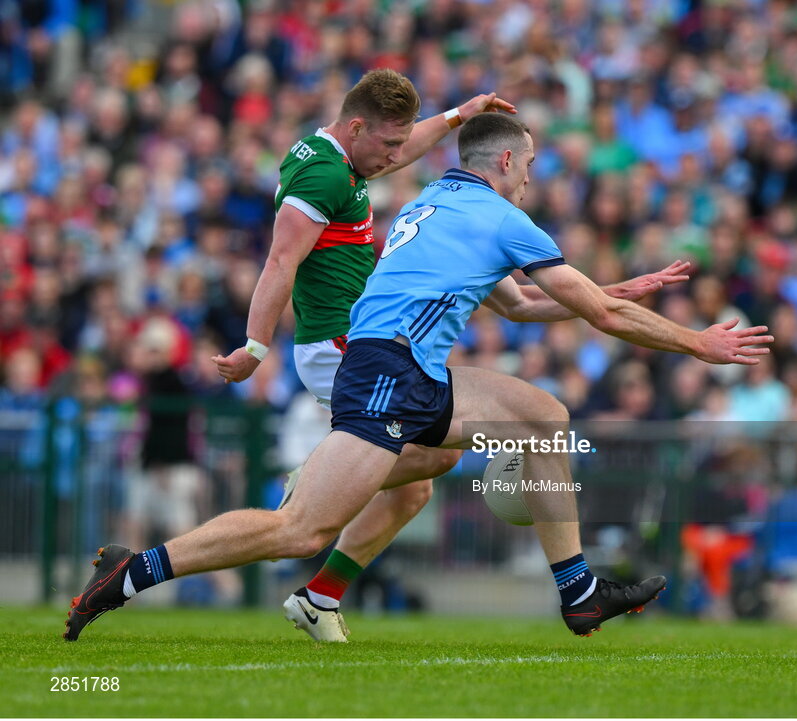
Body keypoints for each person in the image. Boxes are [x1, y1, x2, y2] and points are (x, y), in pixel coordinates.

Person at [65, 113, 772, 642]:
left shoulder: (431, 203)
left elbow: (525, 303)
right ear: (504, 161)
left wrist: (614, 284)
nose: (529, 179)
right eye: (527, 167)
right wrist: (698, 343)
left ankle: (578, 589)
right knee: (300, 527)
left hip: (409, 368)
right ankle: (134, 571)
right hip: (386, 373)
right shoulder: (502, 216)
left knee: (537, 418)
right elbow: (596, 316)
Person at [206, 69, 693, 642]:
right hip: (353, 345)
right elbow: (280, 261)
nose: (394, 157)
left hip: (361, 343)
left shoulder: (385, 178)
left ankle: (320, 596)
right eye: (388, 144)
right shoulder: (328, 175)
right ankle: (307, 484)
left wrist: (459, 115)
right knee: (303, 526)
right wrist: (255, 346)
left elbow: (520, 303)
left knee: (424, 475)